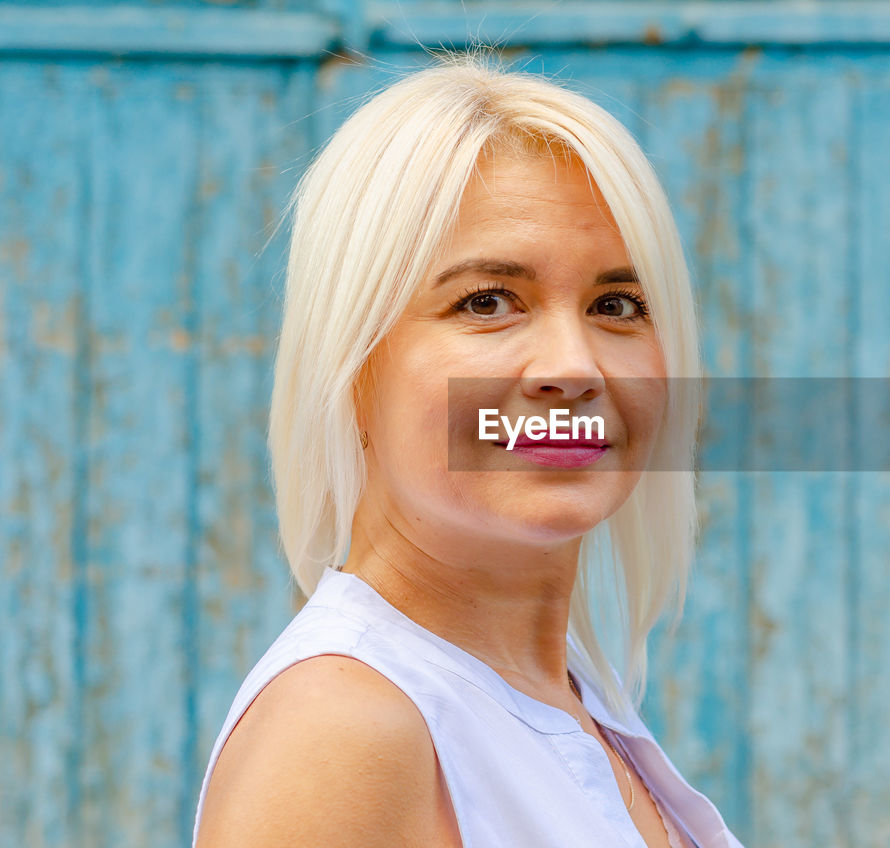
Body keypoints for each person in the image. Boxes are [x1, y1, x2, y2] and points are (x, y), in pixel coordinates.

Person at [192, 53, 743, 848]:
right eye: (487, 302)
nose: (572, 367)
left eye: (617, 304)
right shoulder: (345, 730)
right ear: (352, 367)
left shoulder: (568, 705)